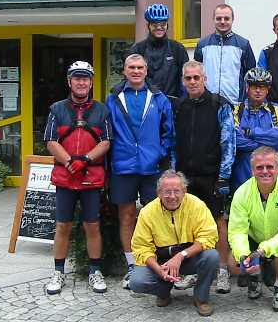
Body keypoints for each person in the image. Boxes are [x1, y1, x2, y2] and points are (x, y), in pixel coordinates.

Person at [106, 53, 174, 290]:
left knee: (154, 217)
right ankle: (132, 266)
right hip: (123, 166)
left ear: (146, 71)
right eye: (131, 67)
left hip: (151, 168)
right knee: (126, 217)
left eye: (140, 67)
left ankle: (157, 264)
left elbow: (168, 131)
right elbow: (107, 133)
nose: (136, 71)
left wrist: (158, 152)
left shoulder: (158, 97)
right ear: (124, 71)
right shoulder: (114, 98)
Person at [43, 61, 112, 295]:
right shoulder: (57, 109)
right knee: (63, 225)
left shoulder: (102, 110)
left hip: (91, 177)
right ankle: (58, 272)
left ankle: (95, 271)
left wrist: (86, 160)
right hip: (66, 176)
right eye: (77, 78)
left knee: (92, 225)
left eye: (85, 78)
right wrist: (70, 162)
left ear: (91, 82)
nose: (81, 82)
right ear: (69, 81)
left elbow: (106, 141)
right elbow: (51, 140)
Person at [171, 61, 236, 294]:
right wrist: (173, 173)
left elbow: (229, 142)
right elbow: (172, 141)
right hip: (185, 176)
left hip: (212, 174)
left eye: (196, 77)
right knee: (189, 225)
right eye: (188, 78)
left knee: (219, 222)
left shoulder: (219, 104)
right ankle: (193, 271)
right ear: (183, 80)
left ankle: (221, 271)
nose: (192, 81)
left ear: (204, 79)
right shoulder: (178, 106)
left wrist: (224, 175)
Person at [129, 170, 219, 317]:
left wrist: (180, 256)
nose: (172, 196)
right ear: (158, 193)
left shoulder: (197, 205)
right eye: (167, 192)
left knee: (212, 256)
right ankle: (164, 291)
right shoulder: (147, 212)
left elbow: (208, 236)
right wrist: (158, 269)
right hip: (162, 261)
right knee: (137, 282)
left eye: (177, 191)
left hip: (189, 257)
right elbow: (142, 247)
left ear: (184, 191)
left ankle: (201, 298)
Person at [228, 146, 278, 312]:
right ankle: (254, 276)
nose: (265, 171)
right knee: (233, 263)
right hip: (254, 238)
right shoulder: (242, 192)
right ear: (252, 170)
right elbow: (237, 231)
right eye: (259, 167)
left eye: (270, 167)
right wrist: (243, 256)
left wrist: (263, 250)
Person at [232, 67, 278, 193]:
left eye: (262, 87)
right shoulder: (237, 109)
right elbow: (235, 139)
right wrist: (266, 145)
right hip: (243, 172)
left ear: (267, 90)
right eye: (254, 86)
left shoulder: (275, 109)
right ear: (247, 88)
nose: (258, 90)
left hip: (270, 173)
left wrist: (251, 132)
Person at [194, 3, 256, 104]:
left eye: (226, 18)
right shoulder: (203, 44)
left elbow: (250, 75)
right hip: (207, 103)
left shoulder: (243, 44)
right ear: (213, 19)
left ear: (233, 19)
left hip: (234, 103)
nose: (222, 22)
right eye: (219, 18)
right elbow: (197, 74)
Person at [128, 4, 189, 98]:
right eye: (155, 24)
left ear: (167, 25)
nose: (159, 27)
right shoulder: (138, 49)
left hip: (172, 103)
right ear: (148, 26)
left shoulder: (177, 48)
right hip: (146, 103)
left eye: (163, 24)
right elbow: (129, 77)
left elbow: (185, 78)